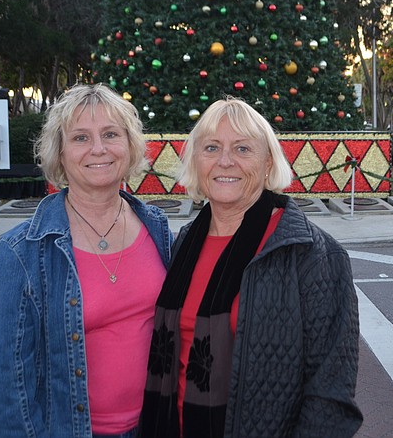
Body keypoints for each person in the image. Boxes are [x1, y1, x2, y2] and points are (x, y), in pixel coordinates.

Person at [140, 97, 362, 438]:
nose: (225, 161)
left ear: (268, 162)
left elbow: (331, 394)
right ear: (196, 160)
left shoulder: (312, 254)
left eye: (243, 149)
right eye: (211, 147)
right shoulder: (184, 242)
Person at [0, 83, 173, 438]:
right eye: (81, 138)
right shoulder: (21, 252)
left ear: (129, 146)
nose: (98, 149)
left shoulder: (157, 228)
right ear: (60, 153)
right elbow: (9, 384)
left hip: (156, 424)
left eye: (111, 134)